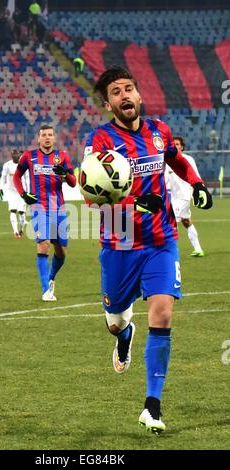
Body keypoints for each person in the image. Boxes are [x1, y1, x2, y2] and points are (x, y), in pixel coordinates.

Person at [85, 66, 212, 434]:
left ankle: (152, 405)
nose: (125, 96)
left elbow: (176, 159)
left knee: (163, 313)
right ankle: (124, 337)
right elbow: (91, 198)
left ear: (139, 95)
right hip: (119, 243)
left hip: (161, 241)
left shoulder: (159, 132)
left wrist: (196, 184)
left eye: (129, 89)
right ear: (108, 104)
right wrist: (135, 206)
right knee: (115, 322)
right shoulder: (100, 142)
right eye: (116, 92)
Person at [13, 124, 76, 301]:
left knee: (61, 251)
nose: (47, 138)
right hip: (39, 207)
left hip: (59, 208)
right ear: (38, 138)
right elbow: (16, 176)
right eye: (44, 135)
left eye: (50, 135)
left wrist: (65, 174)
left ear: (54, 138)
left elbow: (73, 183)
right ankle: (46, 290)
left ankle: (51, 277)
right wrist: (24, 194)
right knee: (44, 243)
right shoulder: (29, 156)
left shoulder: (62, 156)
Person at [165, 136, 204, 257]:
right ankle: (198, 249)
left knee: (170, 221)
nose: (175, 146)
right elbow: (165, 180)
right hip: (173, 197)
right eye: (174, 144)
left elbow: (195, 175)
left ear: (182, 146)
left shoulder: (187, 159)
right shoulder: (168, 161)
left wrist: (198, 190)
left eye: (177, 144)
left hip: (185, 196)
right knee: (186, 221)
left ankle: (168, 251)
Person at [0, 149, 27, 239]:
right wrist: (1, 188)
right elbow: (3, 177)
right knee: (13, 210)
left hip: (22, 190)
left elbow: (27, 179)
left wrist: (29, 191)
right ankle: (15, 231)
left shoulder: (23, 165)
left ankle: (21, 229)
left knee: (22, 212)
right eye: (13, 155)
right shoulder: (7, 165)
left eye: (17, 155)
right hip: (11, 191)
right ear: (11, 156)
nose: (15, 156)